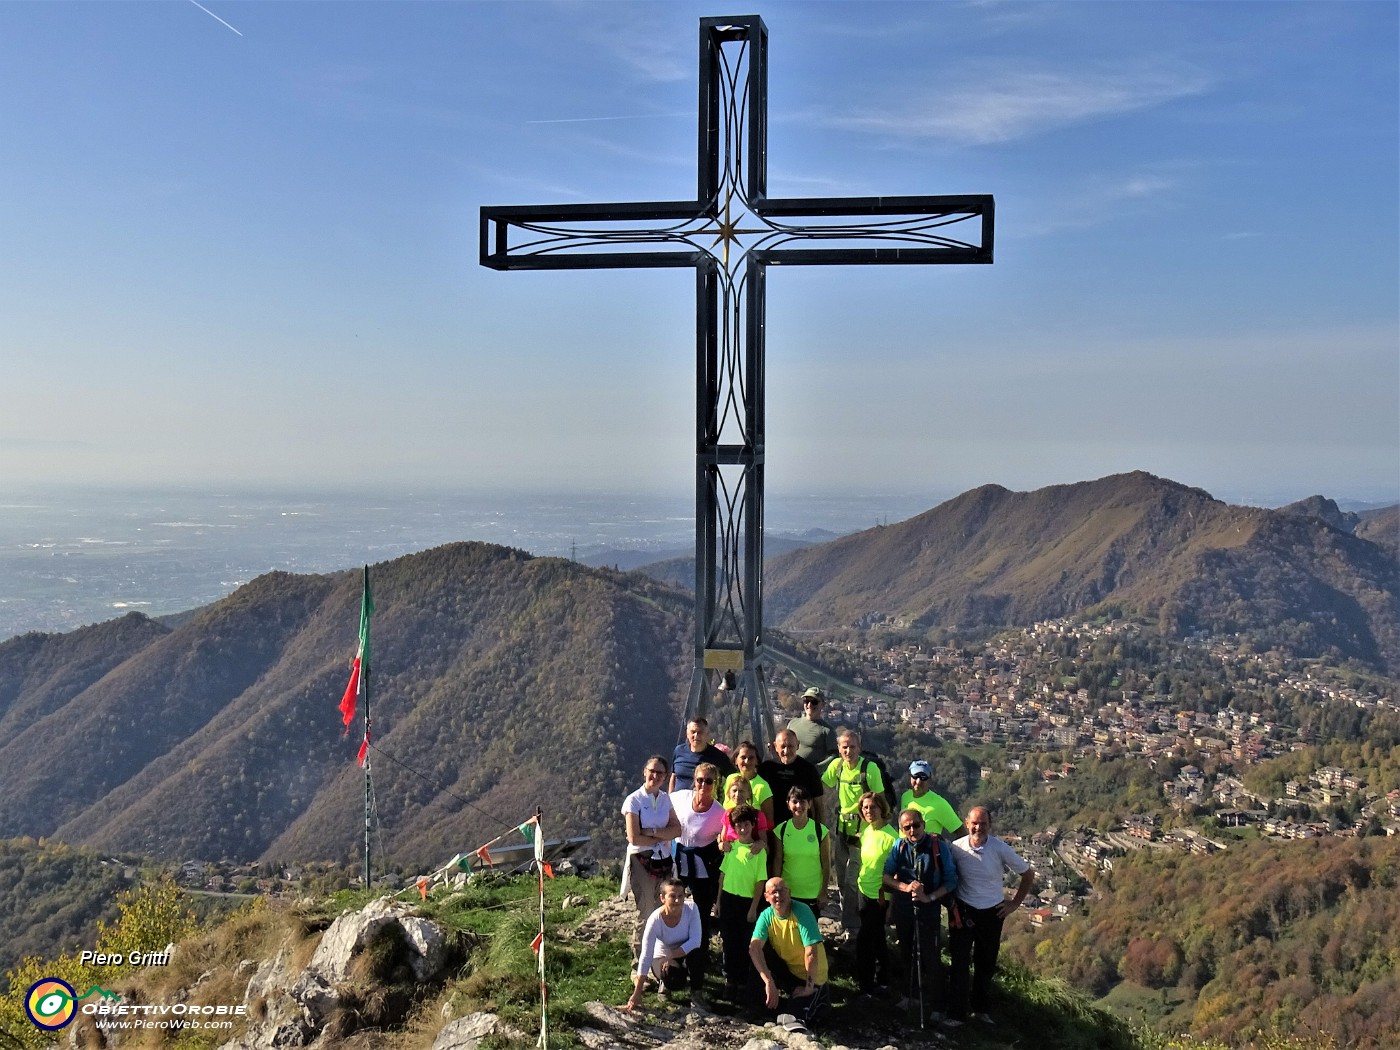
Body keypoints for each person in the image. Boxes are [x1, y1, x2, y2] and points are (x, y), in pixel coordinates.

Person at [947, 807, 1036, 1026]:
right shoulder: (956, 849)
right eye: (974, 823)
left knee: (985, 963)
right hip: (964, 910)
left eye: (983, 823)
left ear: (990, 824)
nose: (978, 828)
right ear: (966, 823)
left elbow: (1027, 873)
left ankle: (981, 1010)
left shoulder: (1000, 848)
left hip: (991, 913)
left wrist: (1015, 903)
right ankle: (956, 1014)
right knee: (959, 962)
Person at [883, 807, 958, 1025]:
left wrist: (930, 897)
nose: (913, 830)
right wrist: (906, 887)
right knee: (906, 952)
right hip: (905, 907)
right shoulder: (900, 846)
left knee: (930, 956)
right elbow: (887, 876)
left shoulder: (937, 847)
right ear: (902, 829)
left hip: (930, 908)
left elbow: (951, 880)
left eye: (916, 825)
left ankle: (938, 1006)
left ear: (923, 824)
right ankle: (910, 996)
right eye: (907, 827)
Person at [822, 727, 884, 930]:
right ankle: (848, 917)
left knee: (851, 881)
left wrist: (876, 829)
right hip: (841, 830)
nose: (849, 751)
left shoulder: (870, 769)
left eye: (852, 747)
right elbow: (822, 786)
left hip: (863, 832)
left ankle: (850, 925)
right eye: (845, 747)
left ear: (860, 747)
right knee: (840, 877)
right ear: (839, 749)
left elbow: (881, 801)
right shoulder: (837, 767)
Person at [748, 877, 829, 1029]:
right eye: (774, 892)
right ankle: (757, 1009)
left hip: (811, 973)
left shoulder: (802, 911)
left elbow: (811, 953)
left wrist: (808, 986)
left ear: (789, 893)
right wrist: (768, 981)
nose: (779, 895)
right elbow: (754, 947)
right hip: (788, 969)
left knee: (793, 1020)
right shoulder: (767, 915)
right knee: (757, 954)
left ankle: (817, 996)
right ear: (766, 897)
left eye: (782, 890)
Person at [622, 756, 682, 959]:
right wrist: (661, 836)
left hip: (664, 860)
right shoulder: (634, 800)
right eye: (652, 771)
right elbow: (634, 837)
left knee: (663, 909)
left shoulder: (665, 799)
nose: (655, 776)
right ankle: (638, 964)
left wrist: (651, 831)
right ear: (644, 772)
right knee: (646, 911)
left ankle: (659, 960)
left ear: (665, 777)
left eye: (660, 773)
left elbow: (676, 829)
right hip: (642, 860)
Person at [622, 878, 707, 1011]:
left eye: (681, 896)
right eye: (672, 896)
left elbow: (695, 941)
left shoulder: (691, 909)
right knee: (675, 981)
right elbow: (646, 955)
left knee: (697, 954)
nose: (678, 901)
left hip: (681, 953)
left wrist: (672, 955)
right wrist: (637, 993)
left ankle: (696, 995)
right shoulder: (655, 919)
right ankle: (664, 984)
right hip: (662, 957)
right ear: (662, 898)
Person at [669, 762, 728, 945]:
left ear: (715, 783)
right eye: (700, 780)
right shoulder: (681, 798)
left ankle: (700, 950)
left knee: (701, 910)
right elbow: (662, 803)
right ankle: (674, 950)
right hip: (678, 858)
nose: (703, 785)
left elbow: (726, 836)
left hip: (703, 865)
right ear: (694, 781)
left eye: (709, 781)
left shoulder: (719, 812)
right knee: (672, 903)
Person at [713, 804, 768, 998]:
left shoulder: (758, 851)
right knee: (729, 941)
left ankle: (744, 982)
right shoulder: (732, 848)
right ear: (733, 828)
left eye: (746, 824)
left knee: (746, 942)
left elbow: (761, 882)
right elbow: (722, 877)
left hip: (747, 902)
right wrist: (718, 902)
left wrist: (754, 908)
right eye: (738, 826)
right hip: (728, 899)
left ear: (753, 825)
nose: (742, 829)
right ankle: (730, 980)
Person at [853, 791, 898, 997]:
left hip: (880, 897)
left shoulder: (892, 837)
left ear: (882, 808)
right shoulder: (867, 831)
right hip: (864, 890)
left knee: (864, 941)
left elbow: (897, 872)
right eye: (865, 808)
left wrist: (892, 905)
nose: (869, 811)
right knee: (878, 938)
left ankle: (866, 988)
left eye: (873, 807)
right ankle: (884, 979)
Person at [770, 787, 831, 916]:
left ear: (809, 804)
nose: (799, 805)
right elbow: (777, 860)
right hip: (787, 893)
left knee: (809, 934)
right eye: (795, 801)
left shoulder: (820, 831)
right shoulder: (781, 830)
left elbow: (826, 864)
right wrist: (776, 890)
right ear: (788, 804)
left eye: (803, 802)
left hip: (812, 894)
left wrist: (823, 892)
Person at [758, 729, 825, 824]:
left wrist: (820, 832)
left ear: (797, 745)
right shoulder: (766, 769)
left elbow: (819, 806)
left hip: (802, 830)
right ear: (775, 746)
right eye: (783, 746)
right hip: (774, 829)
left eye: (790, 746)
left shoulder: (808, 770)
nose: (786, 751)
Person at [900, 760, 963, 838]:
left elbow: (961, 832)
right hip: (904, 849)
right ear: (910, 777)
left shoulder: (940, 804)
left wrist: (948, 848)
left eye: (923, 777)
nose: (918, 781)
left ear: (929, 780)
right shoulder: (905, 797)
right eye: (915, 776)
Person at [671, 717, 734, 792]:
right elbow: (674, 776)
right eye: (693, 732)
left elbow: (733, 778)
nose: (696, 736)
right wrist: (669, 797)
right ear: (687, 734)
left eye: (700, 732)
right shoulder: (679, 751)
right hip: (677, 801)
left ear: (707, 734)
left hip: (705, 802)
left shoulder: (718, 756)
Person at [722, 740, 775, 824]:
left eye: (751, 758)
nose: (747, 761)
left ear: (757, 761)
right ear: (736, 760)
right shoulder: (730, 779)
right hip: (729, 835)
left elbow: (769, 822)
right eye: (743, 757)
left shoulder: (762, 786)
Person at [787, 687, 836, 766]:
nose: (809, 705)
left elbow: (834, 757)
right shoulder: (793, 723)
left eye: (814, 702)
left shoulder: (827, 731)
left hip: (811, 777)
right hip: (790, 773)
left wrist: (815, 769)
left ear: (822, 705)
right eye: (806, 701)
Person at [719, 777, 772, 850]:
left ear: (749, 793)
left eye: (741, 791)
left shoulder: (758, 815)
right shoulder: (727, 814)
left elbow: (765, 846)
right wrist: (722, 845)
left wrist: (760, 844)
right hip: (731, 858)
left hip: (750, 858)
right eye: (734, 790)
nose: (737, 794)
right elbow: (722, 840)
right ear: (729, 793)